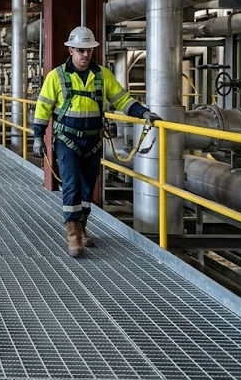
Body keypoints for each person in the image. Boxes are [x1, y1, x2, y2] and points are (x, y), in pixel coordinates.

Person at [32, 26, 161, 258]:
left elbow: (122, 99)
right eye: (80, 50)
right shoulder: (57, 76)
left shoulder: (102, 75)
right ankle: (72, 237)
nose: (85, 55)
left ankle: (81, 229)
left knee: (87, 189)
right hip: (67, 141)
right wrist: (38, 136)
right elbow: (43, 107)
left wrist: (143, 113)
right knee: (71, 186)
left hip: (92, 143)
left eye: (89, 51)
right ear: (71, 49)